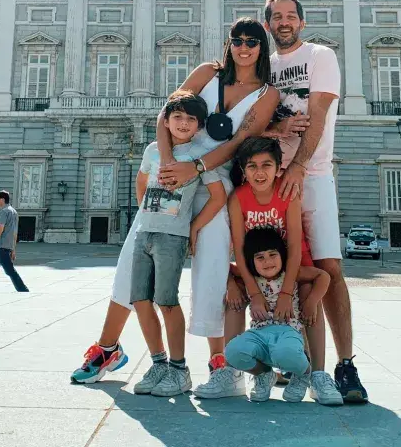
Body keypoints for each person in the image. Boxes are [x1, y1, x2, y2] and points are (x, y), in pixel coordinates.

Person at [71, 18, 279, 388]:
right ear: (229, 43)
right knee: (130, 266)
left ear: (262, 47)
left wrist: (195, 167)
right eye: (237, 40)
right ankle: (107, 349)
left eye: (252, 41)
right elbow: (165, 114)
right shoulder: (206, 72)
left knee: (211, 271)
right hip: (170, 182)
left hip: (214, 186)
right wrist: (169, 166)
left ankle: (220, 363)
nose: (244, 47)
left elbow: (238, 143)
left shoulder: (267, 95)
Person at [263, 0, 368, 403]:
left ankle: (345, 365)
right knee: (280, 268)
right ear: (268, 24)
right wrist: (279, 126)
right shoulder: (265, 67)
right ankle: (295, 357)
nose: (284, 22)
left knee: (328, 267)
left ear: (301, 23)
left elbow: (320, 113)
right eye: (277, 17)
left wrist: (300, 165)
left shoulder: (320, 56)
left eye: (291, 16)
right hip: (268, 179)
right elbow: (254, 122)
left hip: (313, 174)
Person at [214, 136, 342, 404]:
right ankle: (235, 371)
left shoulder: (287, 191)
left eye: (266, 165)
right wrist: (251, 290)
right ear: (243, 169)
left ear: (278, 166)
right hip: (257, 264)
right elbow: (238, 247)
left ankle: (317, 373)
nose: (259, 172)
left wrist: (286, 293)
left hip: (292, 263)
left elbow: (295, 245)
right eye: (251, 166)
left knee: (310, 298)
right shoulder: (238, 198)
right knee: (234, 296)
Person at [131, 91, 227, 397]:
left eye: (190, 119)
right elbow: (141, 180)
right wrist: (144, 213)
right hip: (145, 233)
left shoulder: (198, 158)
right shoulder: (152, 151)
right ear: (168, 121)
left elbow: (219, 196)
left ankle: (178, 368)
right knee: (139, 300)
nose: (183, 123)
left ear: (199, 125)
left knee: (167, 302)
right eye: (177, 117)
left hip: (173, 238)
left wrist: (194, 227)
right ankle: (158, 363)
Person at [224, 228, 332, 403]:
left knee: (285, 352)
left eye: (273, 255)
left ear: (282, 255)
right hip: (259, 334)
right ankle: (264, 375)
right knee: (232, 351)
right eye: (260, 258)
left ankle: (303, 374)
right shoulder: (250, 276)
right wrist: (231, 286)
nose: (267, 262)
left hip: (288, 332)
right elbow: (225, 266)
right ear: (251, 262)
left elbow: (323, 275)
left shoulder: (291, 273)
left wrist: (312, 301)